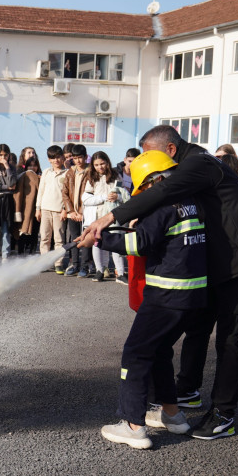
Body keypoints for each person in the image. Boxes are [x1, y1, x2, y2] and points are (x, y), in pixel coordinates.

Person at [80, 124, 238, 440]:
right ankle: (181, 399)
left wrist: (107, 219)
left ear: (169, 151)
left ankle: (223, 414)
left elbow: (163, 193)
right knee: (194, 329)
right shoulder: (183, 169)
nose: (148, 168)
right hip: (211, 264)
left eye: (149, 157)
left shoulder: (198, 163)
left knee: (228, 338)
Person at [82, 150, 207, 449]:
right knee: (160, 350)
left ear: (156, 180)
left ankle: (133, 425)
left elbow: (138, 243)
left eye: (145, 188)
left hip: (166, 296)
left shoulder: (162, 207)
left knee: (135, 355)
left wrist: (98, 239)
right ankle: (173, 415)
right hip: (193, 296)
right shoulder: (192, 203)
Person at [82, 151, 129, 282]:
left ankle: (120, 273)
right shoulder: (91, 177)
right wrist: (102, 198)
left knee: (115, 243)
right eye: (96, 165)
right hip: (97, 215)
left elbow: (122, 194)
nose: (100, 167)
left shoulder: (116, 176)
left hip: (113, 215)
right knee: (97, 243)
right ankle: (99, 270)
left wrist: (117, 197)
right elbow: (86, 198)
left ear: (107, 162)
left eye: (102, 163)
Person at [36, 145, 68, 273]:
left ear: (63, 157)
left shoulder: (67, 173)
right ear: (49, 159)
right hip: (45, 209)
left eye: (58, 157)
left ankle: (58, 263)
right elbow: (41, 191)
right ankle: (45, 262)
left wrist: (65, 209)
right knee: (44, 237)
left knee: (59, 238)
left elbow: (68, 194)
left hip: (59, 210)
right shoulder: (46, 172)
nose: (56, 160)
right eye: (53, 158)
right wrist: (38, 208)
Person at [61, 144, 92, 276]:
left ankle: (85, 266)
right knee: (74, 238)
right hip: (72, 213)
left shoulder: (91, 171)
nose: (78, 161)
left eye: (80, 157)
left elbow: (91, 194)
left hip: (86, 213)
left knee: (85, 238)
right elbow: (65, 193)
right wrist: (71, 211)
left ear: (85, 157)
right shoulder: (70, 172)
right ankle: (74, 265)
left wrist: (81, 212)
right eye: (75, 158)